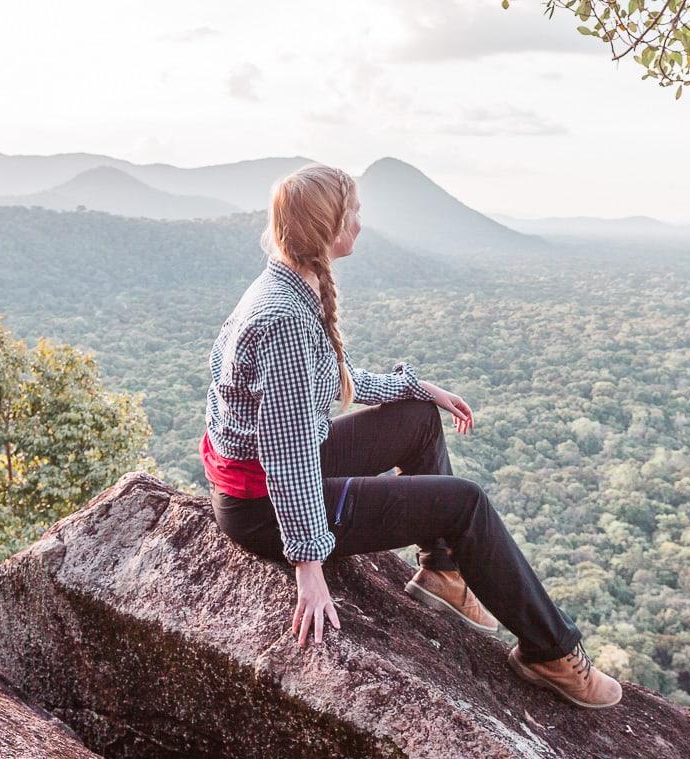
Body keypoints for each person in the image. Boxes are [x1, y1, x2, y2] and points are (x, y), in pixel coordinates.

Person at [200, 163, 622, 709]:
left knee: (419, 417)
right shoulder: (283, 316)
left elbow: (326, 384)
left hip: (273, 471)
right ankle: (552, 653)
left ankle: (444, 576)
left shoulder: (287, 283)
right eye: (352, 214)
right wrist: (309, 566)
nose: (359, 223)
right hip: (262, 508)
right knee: (463, 504)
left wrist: (416, 388)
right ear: (327, 228)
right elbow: (288, 456)